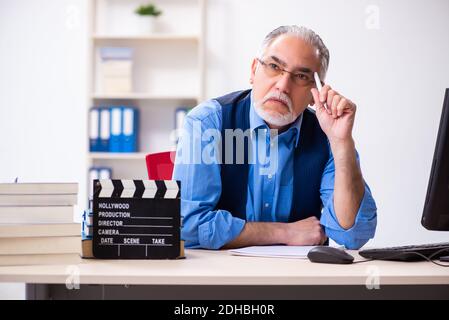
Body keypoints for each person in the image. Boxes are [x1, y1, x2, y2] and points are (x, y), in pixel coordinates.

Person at [173, 25, 377, 250]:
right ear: (253, 70)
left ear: (315, 93)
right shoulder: (209, 123)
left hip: (297, 278)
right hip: (220, 276)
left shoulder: (326, 136)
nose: (283, 86)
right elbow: (187, 225)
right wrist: (284, 232)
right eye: (273, 66)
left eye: (301, 76)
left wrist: (342, 143)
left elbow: (354, 235)